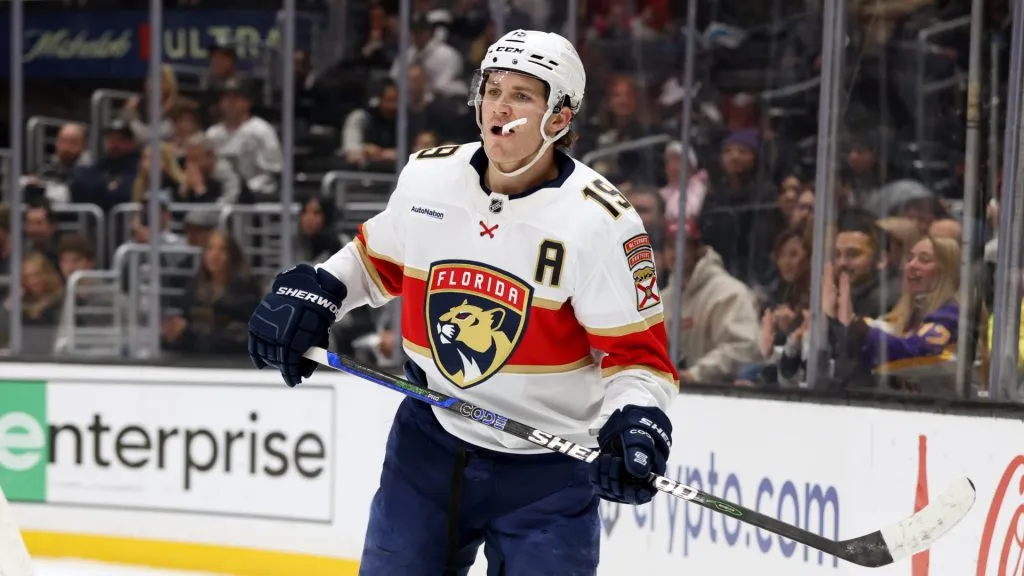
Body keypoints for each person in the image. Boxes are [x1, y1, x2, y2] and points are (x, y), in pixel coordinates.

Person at [248, 29, 678, 576]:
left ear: (561, 117)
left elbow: (638, 359)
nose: (500, 106)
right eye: (493, 88)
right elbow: (374, 261)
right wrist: (317, 292)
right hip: (432, 441)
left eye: (523, 94)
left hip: (548, 470)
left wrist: (637, 421)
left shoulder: (601, 223)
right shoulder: (429, 178)